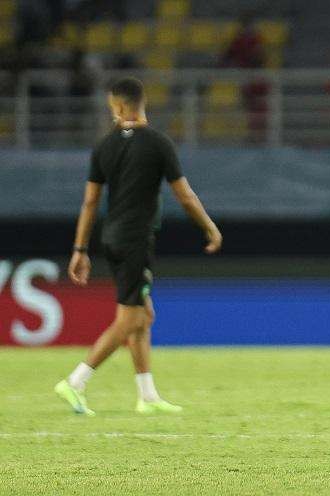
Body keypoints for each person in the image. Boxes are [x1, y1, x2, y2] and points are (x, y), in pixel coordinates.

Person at [54, 77, 222, 416]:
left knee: (144, 316)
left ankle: (147, 396)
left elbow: (89, 203)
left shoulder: (104, 146)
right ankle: (75, 381)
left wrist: (80, 249)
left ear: (116, 106)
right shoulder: (158, 144)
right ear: (141, 103)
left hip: (111, 238)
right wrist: (210, 228)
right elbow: (185, 195)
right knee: (130, 319)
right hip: (135, 240)